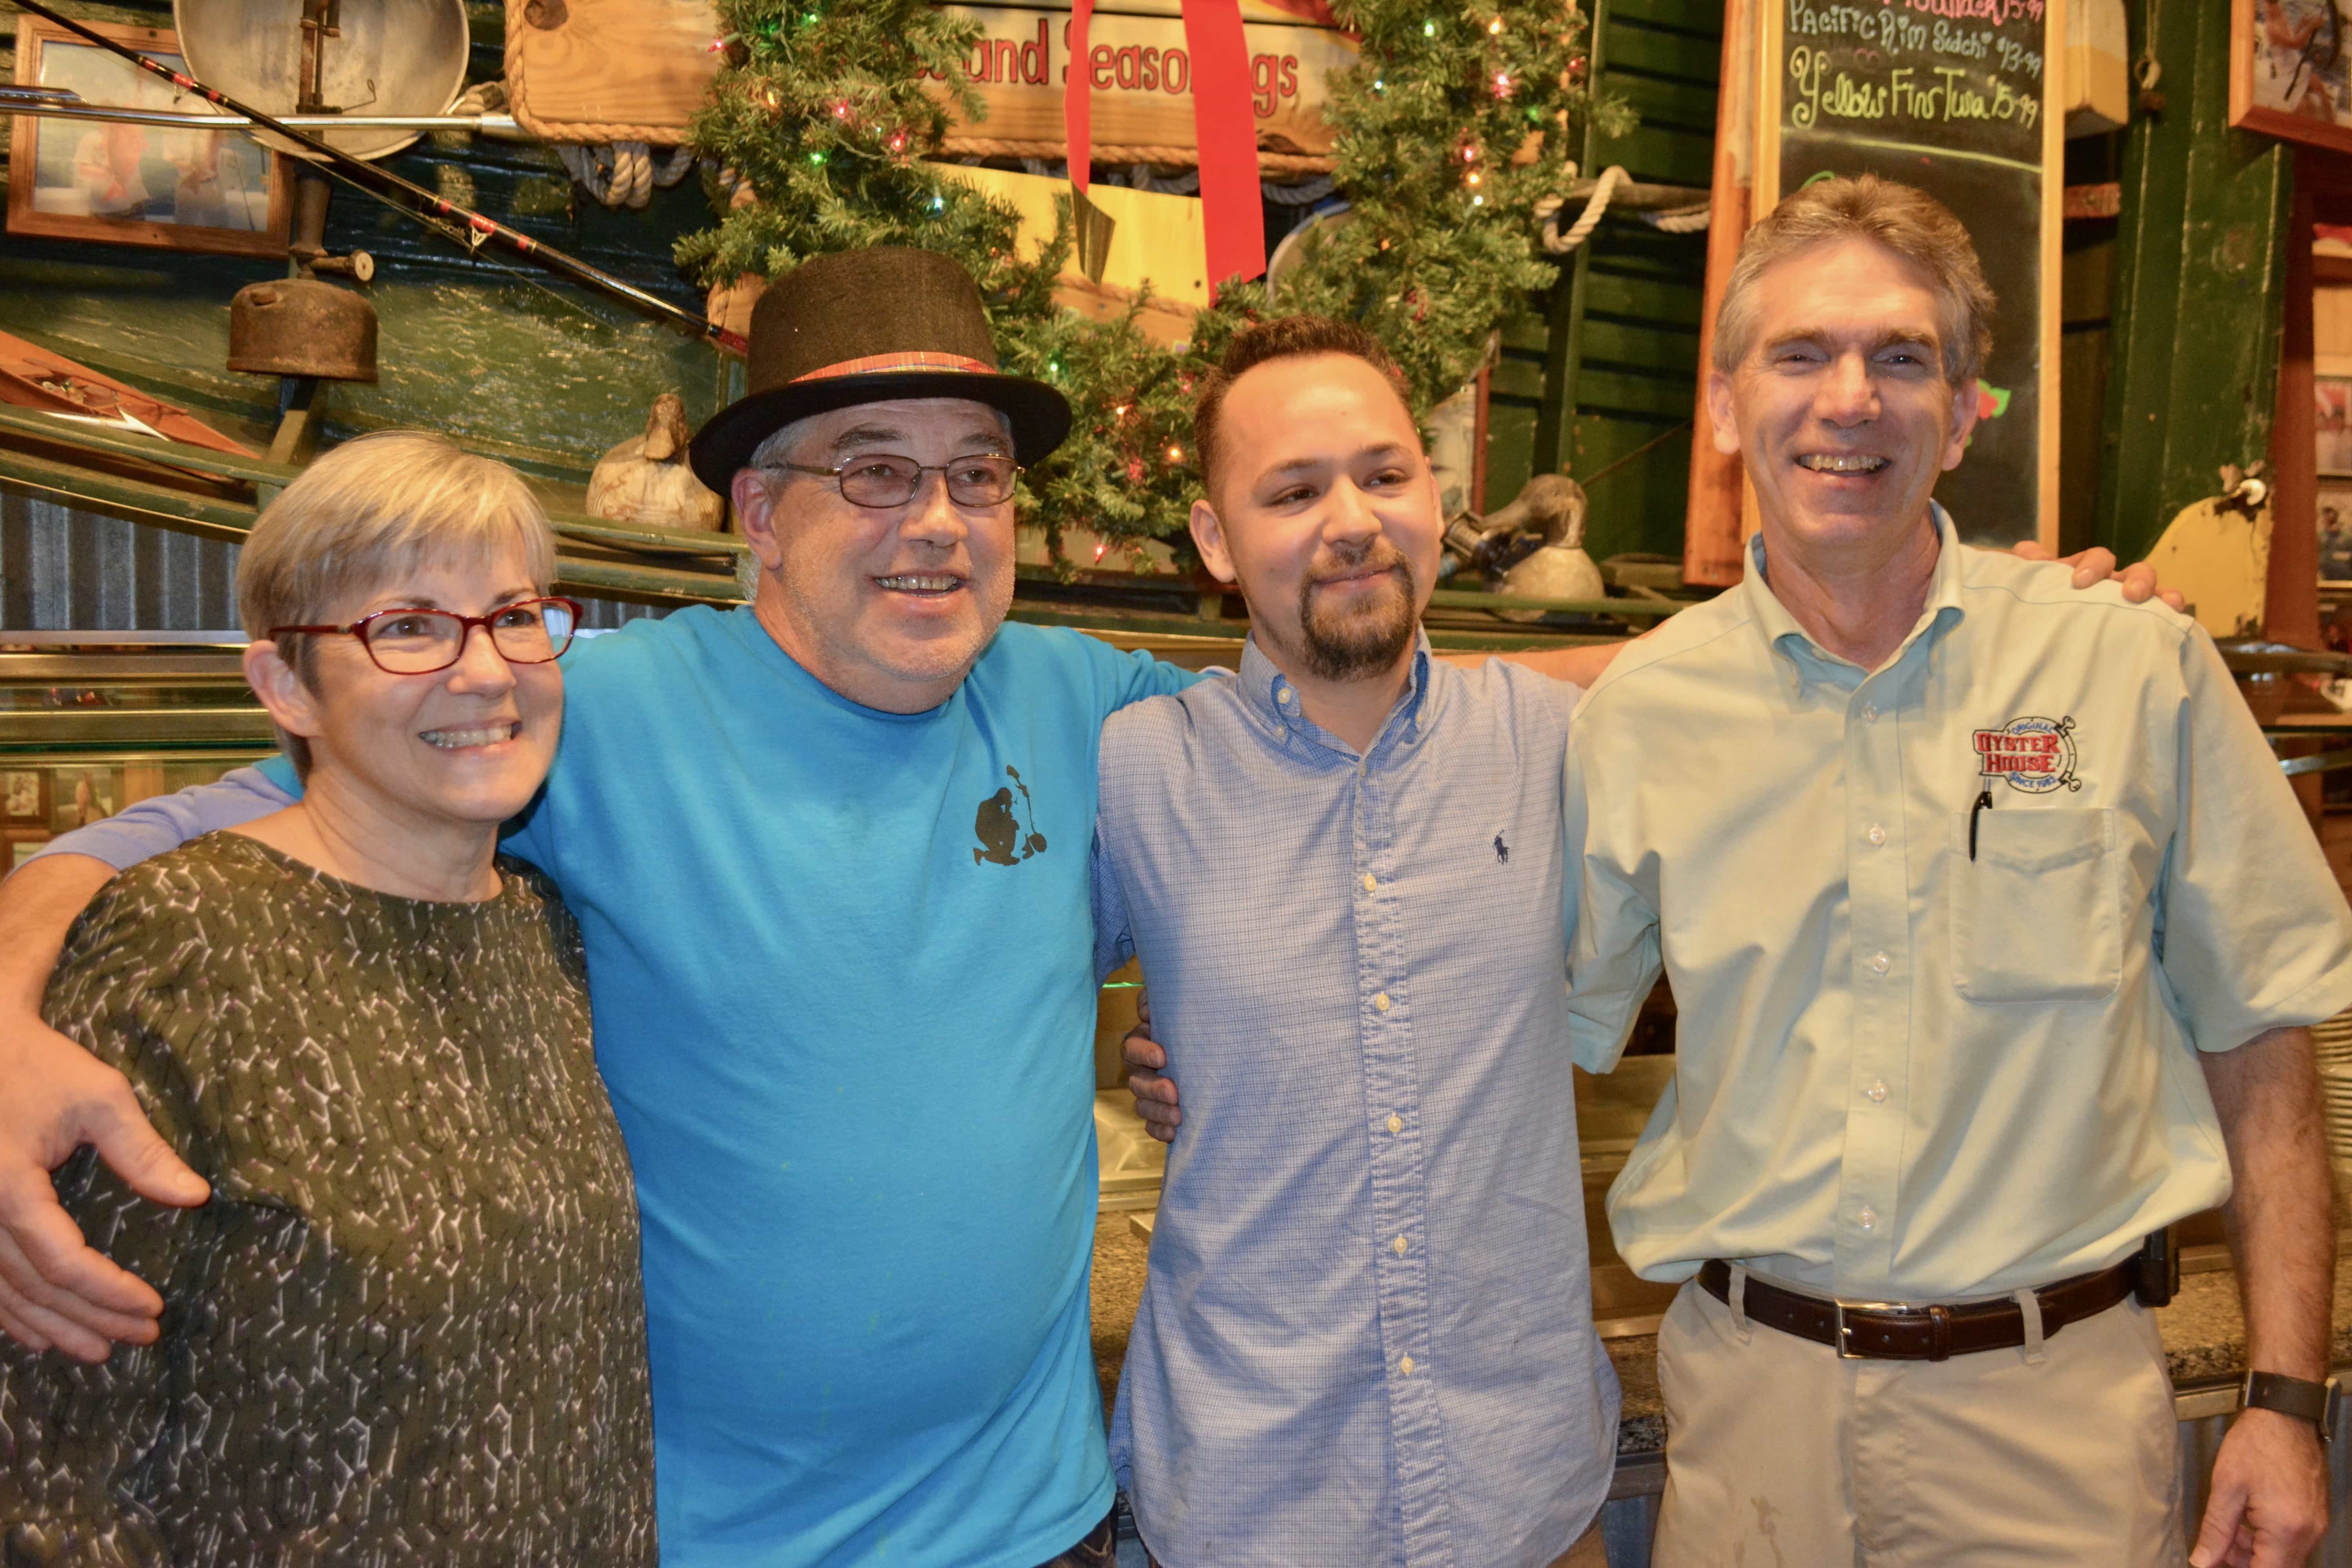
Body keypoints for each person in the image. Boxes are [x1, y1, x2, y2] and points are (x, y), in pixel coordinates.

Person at [0, 245, 2165, 1562]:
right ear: (751, 514)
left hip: (1047, 1524)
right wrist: (9, 1006)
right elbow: (234, 813)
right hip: (717, 1540)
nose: (934, 525)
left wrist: (1947, 608)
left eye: (974, 477)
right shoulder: (594, 715)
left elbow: (1465, 689)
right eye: (872, 476)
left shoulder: (1096, 714)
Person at [1561, 175, 2352, 1566]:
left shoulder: (2128, 664)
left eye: (1904, 357)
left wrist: (2286, 1403)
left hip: (2053, 1424)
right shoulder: (1643, 711)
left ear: (1969, 409)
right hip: (1754, 1418)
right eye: (1801, 353)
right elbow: (1504, 1034)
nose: (1851, 398)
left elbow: (2263, 1047)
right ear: (1728, 404)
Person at [0, 431, 655, 1560]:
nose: (486, 670)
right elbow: (55, 1465)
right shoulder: (180, 941)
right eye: (405, 627)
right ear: (285, 685)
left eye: (510, 615)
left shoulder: (537, 924)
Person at [1092, 316, 1617, 1566]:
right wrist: (1149, 1046)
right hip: (1244, 1504)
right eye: (1293, 490)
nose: (1352, 520)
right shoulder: (1133, 769)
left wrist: (2053, 602)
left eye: (1386, 475)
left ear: (1438, 501)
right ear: (1215, 542)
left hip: (1527, 1505)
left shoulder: (1563, 741)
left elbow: (1777, 661)